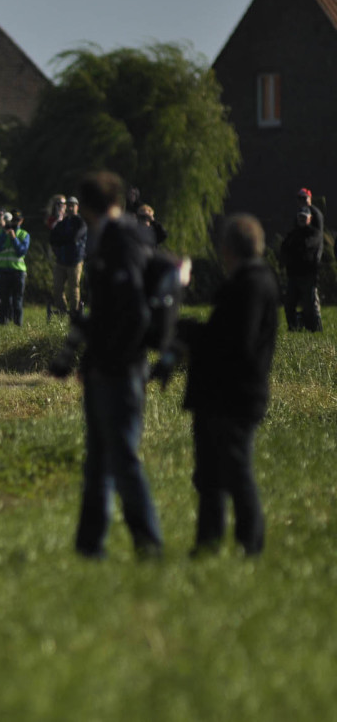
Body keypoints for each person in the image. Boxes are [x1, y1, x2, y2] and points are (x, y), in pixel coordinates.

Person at [59, 170, 162, 560]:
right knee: (99, 460)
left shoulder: (118, 241)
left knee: (123, 458)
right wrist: (87, 358)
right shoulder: (121, 237)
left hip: (120, 369)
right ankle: (89, 546)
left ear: (84, 206)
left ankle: (148, 542)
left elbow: (130, 312)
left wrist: (110, 360)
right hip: (105, 366)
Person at [177, 214, 278, 557]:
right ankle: (209, 541)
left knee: (235, 470)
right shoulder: (255, 282)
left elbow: (234, 339)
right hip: (223, 393)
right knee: (210, 474)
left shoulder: (250, 286)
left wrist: (189, 333)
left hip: (233, 394)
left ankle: (250, 542)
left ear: (229, 250)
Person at [280, 206, 324, 332]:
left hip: (308, 276)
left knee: (310, 305)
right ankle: (293, 327)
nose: (302, 219)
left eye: (304, 217)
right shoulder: (292, 234)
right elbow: (284, 249)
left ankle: (315, 329)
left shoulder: (314, 233)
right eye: (300, 217)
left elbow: (306, 245)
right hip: (293, 275)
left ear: (310, 219)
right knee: (289, 304)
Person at [49, 195, 88, 318]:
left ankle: (74, 313)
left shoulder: (81, 222)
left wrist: (63, 239)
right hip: (61, 260)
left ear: (77, 207)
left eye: (73, 205)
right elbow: (53, 238)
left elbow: (75, 237)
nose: (70, 208)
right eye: (68, 205)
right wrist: (64, 240)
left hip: (75, 260)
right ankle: (62, 311)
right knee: (57, 287)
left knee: (73, 288)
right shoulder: (63, 223)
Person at [0, 209, 30, 325]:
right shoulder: (1, 233)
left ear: (21, 221)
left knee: (17, 301)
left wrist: (14, 238)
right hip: (3, 271)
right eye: (13, 220)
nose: (15, 223)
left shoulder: (24, 234)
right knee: (3, 300)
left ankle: (18, 325)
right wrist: (5, 234)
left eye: (17, 220)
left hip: (17, 272)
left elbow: (21, 252)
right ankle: (3, 324)